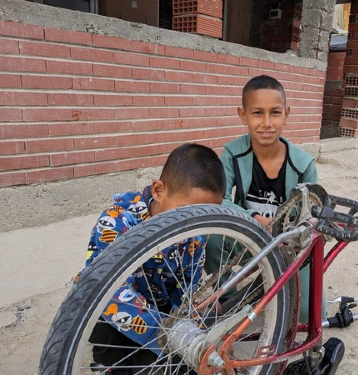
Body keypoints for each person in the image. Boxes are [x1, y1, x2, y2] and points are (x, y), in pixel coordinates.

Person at [82, 143, 226, 374]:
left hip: (162, 317)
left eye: (205, 217)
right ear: (159, 190)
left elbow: (187, 290)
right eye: (185, 213)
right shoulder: (119, 222)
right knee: (101, 313)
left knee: (201, 323)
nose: (194, 225)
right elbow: (107, 290)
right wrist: (165, 336)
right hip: (118, 319)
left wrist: (192, 325)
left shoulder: (195, 237)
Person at [214, 74, 323, 323]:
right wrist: (253, 219)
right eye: (257, 113)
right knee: (213, 238)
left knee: (307, 317)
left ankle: (276, 283)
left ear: (287, 113)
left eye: (274, 113)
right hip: (247, 236)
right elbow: (219, 199)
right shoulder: (232, 153)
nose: (266, 123)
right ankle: (227, 296)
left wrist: (289, 234)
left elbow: (311, 218)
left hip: (288, 246)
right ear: (243, 115)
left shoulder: (304, 165)